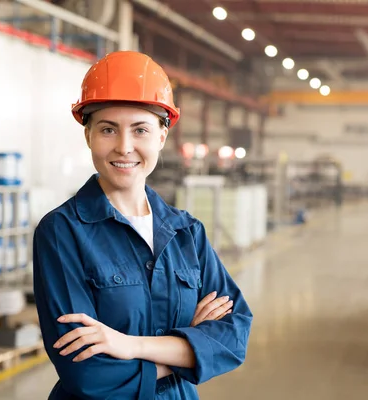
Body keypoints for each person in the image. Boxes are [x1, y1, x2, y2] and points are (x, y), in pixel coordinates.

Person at [32, 51, 253, 400]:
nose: (124, 147)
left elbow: (234, 337)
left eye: (140, 130)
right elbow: (87, 373)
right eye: (108, 129)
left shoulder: (187, 234)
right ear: (88, 135)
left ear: (161, 137)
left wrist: (128, 345)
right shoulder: (62, 232)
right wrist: (188, 348)